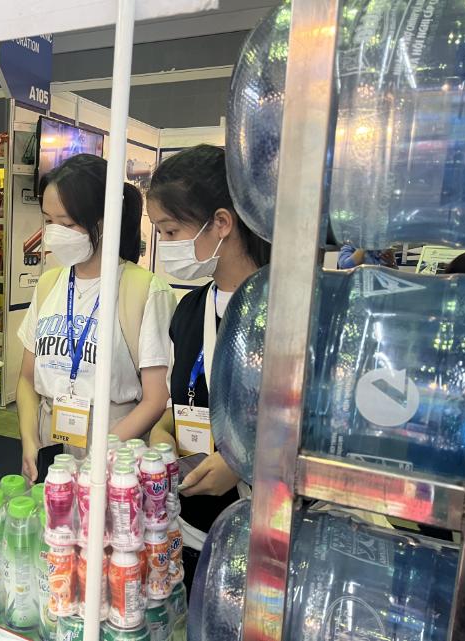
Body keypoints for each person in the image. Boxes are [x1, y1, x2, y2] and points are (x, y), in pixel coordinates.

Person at [146, 145, 271, 586]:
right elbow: (184, 403)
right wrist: (162, 431)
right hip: (192, 530)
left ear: (221, 223)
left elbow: (306, 424)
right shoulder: (188, 311)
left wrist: (241, 463)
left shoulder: (285, 311)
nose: (165, 246)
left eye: (171, 230)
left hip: (261, 538)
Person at [17, 154, 176, 481]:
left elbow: (156, 398)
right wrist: (29, 441)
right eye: (49, 221)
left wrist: (100, 454)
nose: (54, 233)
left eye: (67, 224)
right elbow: (27, 379)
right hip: (50, 440)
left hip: (115, 447)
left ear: (105, 221)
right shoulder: (49, 284)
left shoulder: (145, 290)